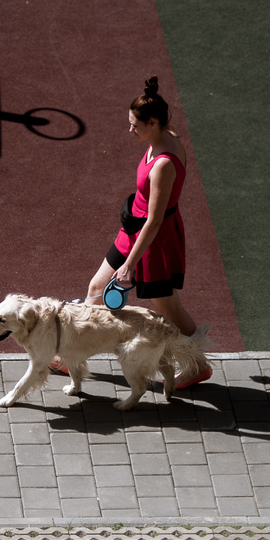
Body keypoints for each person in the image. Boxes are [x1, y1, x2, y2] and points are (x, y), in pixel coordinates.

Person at [52, 76, 211, 388]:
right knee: (97, 285)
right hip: (133, 230)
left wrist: (129, 265)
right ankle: (73, 357)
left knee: (168, 308)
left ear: (152, 122)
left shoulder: (164, 163)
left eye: (135, 124)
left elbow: (154, 222)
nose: (130, 130)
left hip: (154, 242)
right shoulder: (162, 138)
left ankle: (197, 365)